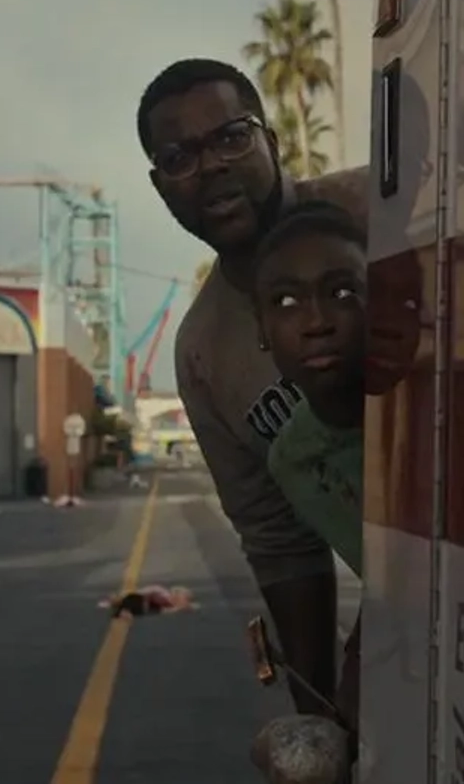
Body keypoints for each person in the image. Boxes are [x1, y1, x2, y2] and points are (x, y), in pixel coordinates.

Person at [138, 57, 367, 718]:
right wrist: (319, 719)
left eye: (232, 136)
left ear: (271, 140)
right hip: (413, 609)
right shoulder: (204, 352)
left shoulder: (384, 206)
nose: (211, 166)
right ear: (160, 185)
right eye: (180, 155)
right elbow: (280, 544)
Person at [252, 200, 428, 742]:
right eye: (286, 301)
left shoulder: (432, 406)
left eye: (342, 292)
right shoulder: (295, 460)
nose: (316, 323)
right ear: (261, 331)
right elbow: (388, 583)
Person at [98, 585, 198, 619]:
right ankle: (120, 608)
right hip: (143, 601)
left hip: (143, 602)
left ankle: (120, 608)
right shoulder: (163, 595)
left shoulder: (164, 595)